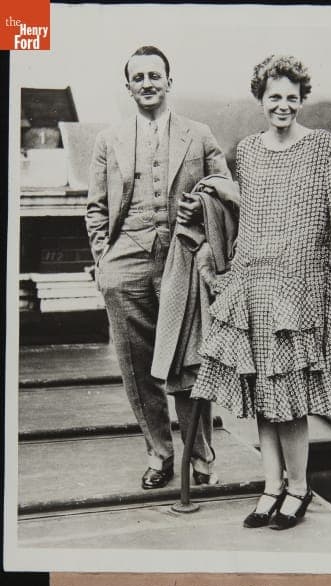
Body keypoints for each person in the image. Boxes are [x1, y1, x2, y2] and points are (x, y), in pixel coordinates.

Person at [192, 54, 331, 529]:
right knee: (261, 392)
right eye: (274, 97)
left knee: (289, 395)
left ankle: (298, 487)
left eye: (291, 98)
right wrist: (232, 274)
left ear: (302, 100)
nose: (283, 105)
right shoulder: (250, 150)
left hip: (299, 289)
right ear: (261, 99)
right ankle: (270, 485)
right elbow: (252, 220)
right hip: (255, 284)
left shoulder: (322, 147)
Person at [86, 45, 231, 490]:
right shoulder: (108, 140)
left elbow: (228, 191)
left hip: (182, 260)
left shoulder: (199, 134)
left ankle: (199, 457)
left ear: (170, 81)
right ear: (128, 86)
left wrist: (204, 208)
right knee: (137, 365)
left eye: (155, 75)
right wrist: (103, 260)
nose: (147, 82)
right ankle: (159, 454)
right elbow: (95, 208)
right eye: (139, 77)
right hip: (124, 264)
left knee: (188, 363)